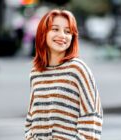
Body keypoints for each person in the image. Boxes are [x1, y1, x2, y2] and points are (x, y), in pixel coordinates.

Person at [24, 9, 103, 140]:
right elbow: (31, 118)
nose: (62, 35)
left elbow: (92, 116)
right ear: (43, 33)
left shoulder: (78, 69)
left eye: (68, 31)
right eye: (55, 29)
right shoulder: (36, 73)